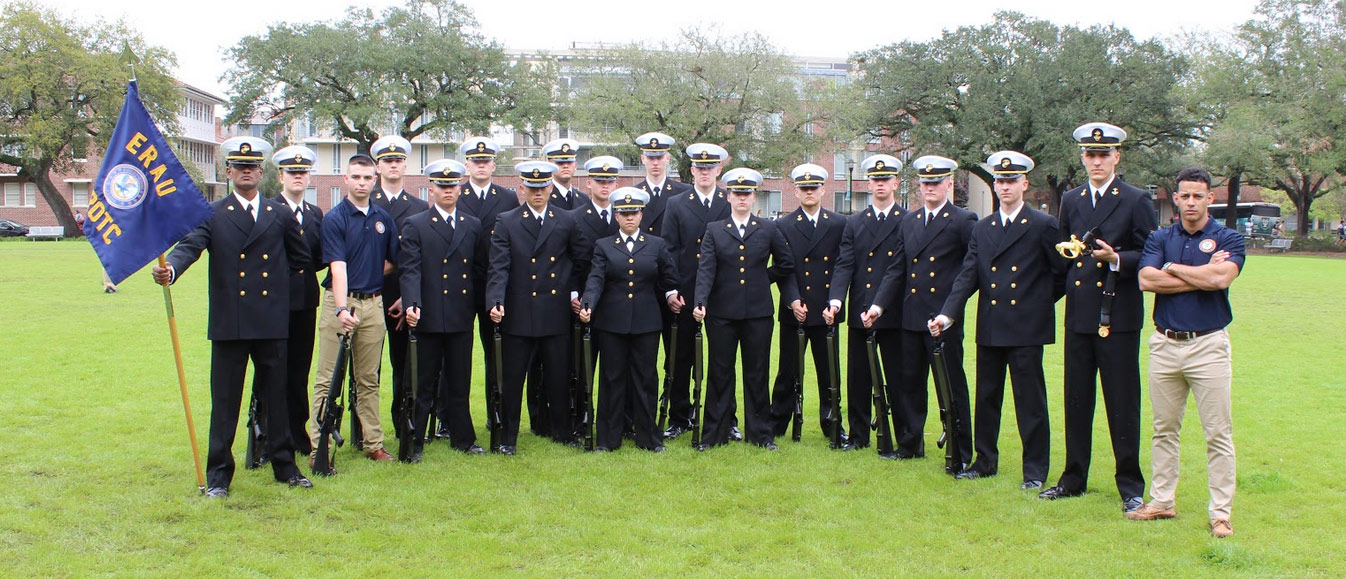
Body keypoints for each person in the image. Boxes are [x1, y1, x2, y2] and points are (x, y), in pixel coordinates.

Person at [151, 136, 312, 497]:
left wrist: (282, 297)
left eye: (252, 167)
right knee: (225, 403)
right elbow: (189, 248)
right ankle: (219, 476)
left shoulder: (279, 213)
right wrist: (171, 271)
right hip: (231, 322)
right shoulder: (212, 213)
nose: (246, 172)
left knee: (278, 399)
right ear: (227, 171)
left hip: (271, 322)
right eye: (239, 167)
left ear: (261, 172)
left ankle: (285, 467)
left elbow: (301, 259)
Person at [1040, 122, 1158, 514]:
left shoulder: (1136, 199)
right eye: (1090, 155)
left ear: (1116, 157)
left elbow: (1150, 255)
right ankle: (1073, 478)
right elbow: (1063, 254)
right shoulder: (1072, 200)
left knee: (1121, 401)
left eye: (1103, 154)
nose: (1096, 161)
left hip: (1117, 313)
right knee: (1076, 400)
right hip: (1079, 314)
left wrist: (1116, 259)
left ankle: (1130, 485)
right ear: (1082, 158)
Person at [931, 151, 1065, 489]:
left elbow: (1061, 274)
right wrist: (948, 314)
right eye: (999, 181)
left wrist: (1037, 303)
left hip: (1026, 327)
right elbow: (967, 276)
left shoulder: (1043, 225)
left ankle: (1034, 471)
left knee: (1029, 402)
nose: (1004, 186)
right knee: (987, 397)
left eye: (1010, 180)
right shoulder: (984, 227)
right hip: (991, 322)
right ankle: (984, 461)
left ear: (1024, 184)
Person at [1130, 167, 1244, 538]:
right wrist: (1198, 274)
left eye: (1198, 195)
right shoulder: (1160, 236)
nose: (1191, 202)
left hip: (1208, 345)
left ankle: (1221, 514)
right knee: (1164, 429)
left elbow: (1220, 279)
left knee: (1217, 433)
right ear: (1175, 199)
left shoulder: (1228, 237)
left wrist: (1173, 267)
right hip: (1165, 344)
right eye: (1185, 195)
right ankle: (1162, 501)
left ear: (1211, 198)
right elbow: (1147, 280)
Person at [866, 155, 976, 468]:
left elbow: (970, 271)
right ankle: (910, 443)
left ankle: (960, 451)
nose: (930, 187)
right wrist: (878, 305)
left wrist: (950, 312)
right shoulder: (910, 221)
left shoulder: (962, 221)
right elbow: (896, 269)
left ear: (949, 184)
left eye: (936, 182)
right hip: (911, 316)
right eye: (926, 183)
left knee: (951, 386)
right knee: (909, 383)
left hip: (943, 318)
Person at [486, 160, 590, 454]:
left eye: (543, 187)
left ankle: (562, 431)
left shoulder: (566, 220)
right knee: (513, 379)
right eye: (532, 188)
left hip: (554, 309)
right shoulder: (506, 220)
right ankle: (508, 437)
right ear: (522, 188)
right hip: (518, 311)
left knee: (558, 375)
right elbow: (498, 267)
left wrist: (574, 291)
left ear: (550, 187)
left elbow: (580, 259)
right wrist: (495, 300)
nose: (538, 193)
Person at [691, 167, 798, 451]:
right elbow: (706, 269)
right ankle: (715, 434)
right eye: (736, 193)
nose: (741, 198)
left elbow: (786, 263)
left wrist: (764, 278)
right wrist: (700, 300)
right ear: (728, 197)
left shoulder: (768, 229)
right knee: (719, 373)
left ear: (754, 197)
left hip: (758, 315)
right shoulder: (715, 230)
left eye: (746, 193)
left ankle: (760, 435)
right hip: (721, 313)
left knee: (756, 373)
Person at [309, 153, 400, 465]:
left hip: (374, 304)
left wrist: (372, 276)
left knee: (368, 378)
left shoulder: (383, 219)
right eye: (356, 177)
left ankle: (373, 443)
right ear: (345, 180)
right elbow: (338, 269)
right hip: (340, 302)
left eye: (367, 178)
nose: (362, 183)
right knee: (327, 378)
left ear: (374, 181)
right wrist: (342, 307)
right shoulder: (335, 218)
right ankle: (316, 444)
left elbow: (393, 261)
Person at [578, 187, 680, 452]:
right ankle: (607, 440)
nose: (629, 218)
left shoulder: (656, 245)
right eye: (624, 213)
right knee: (612, 379)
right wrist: (587, 303)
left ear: (641, 214)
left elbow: (669, 278)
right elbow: (596, 278)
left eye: (633, 212)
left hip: (646, 322)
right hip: (612, 323)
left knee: (646, 378)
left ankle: (649, 438)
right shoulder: (604, 246)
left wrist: (671, 295)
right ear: (616, 216)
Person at [401, 159, 486, 460]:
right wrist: (412, 303)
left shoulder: (471, 225)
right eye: (442, 185)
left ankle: (463, 439)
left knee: (460, 381)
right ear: (431, 188)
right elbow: (410, 270)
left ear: (460, 189)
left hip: (461, 314)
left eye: (452, 186)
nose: (448, 190)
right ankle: (415, 442)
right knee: (423, 383)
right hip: (429, 314)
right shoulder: (416, 224)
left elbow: (478, 270)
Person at [824, 154, 907, 457]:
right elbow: (845, 263)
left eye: (885, 180)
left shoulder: (906, 220)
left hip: (892, 311)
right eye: (875, 180)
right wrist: (835, 300)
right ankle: (858, 435)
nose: (880, 184)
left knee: (897, 378)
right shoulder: (855, 222)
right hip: (860, 308)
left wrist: (880, 305)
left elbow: (899, 267)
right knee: (858, 376)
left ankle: (902, 438)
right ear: (868, 183)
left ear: (896, 183)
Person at [767, 163, 848, 447]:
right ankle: (777, 422)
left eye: (814, 188)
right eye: (804, 188)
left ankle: (833, 424)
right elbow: (783, 267)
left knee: (830, 373)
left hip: (827, 310)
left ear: (823, 190)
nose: (809, 192)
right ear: (796, 191)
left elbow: (842, 266)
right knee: (787, 371)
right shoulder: (783, 225)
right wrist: (792, 300)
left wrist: (835, 302)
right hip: (796, 310)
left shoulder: (839, 224)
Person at [660, 143, 732, 440]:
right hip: (687, 292)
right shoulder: (676, 204)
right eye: (700, 168)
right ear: (692, 171)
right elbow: (668, 250)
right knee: (680, 356)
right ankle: (679, 417)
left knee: (722, 359)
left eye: (710, 168)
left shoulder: (729, 201)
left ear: (719, 170)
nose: (705, 172)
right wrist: (672, 289)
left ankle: (726, 418)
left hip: (721, 293)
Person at [457, 136, 520, 439]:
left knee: (497, 352)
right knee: (456, 354)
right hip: (460, 284)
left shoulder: (507, 198)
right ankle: (450, 418)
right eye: (475, 161)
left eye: (486, 161)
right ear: (466, 164)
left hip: (495, 286)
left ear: (494, 165)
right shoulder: (455, 194)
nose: (481, 165)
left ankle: (496, 413)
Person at [368, 135, 426, 443]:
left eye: (398, 160)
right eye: (387, 161)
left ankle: (404, 422)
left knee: (405, 364)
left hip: (404, 297)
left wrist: (409, 296)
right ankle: (365, 428)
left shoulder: (419, 207)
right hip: (369, 295)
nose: (393, 165)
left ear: (405, 165)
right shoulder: (366, 201)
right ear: (378, 166)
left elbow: (421, 258)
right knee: (367, 369)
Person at [271, 144, 325, 456]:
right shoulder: (268, 209)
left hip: (305, 301)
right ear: (281, 176)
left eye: (303, 172)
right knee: (272, 370)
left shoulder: (315, 214)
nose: (298, 177)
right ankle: (268, 434)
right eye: (292, 172)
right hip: (273, 302)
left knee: (298, 372)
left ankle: (297, 433)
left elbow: (318, 258)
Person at [633, 132, 693, 236]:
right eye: (651, 158)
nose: (655, 163)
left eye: (659, 157)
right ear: (643, 159)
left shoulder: (684, 191)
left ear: (668, 159)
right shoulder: (634, 193)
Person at [544, 138, 588, 210]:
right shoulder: (543, 198)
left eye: (569, 162)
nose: (565, 166)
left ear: (575, 165)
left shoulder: (583, 199)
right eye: (560, 163)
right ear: (550, 166)